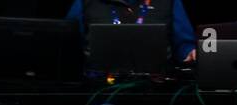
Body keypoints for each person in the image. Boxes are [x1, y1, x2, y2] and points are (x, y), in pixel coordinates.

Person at [67, 0, 198, 64]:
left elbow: (184, 44)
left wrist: (189, 53)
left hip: (155, 89)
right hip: (96, 90)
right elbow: (68, 43)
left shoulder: (170, 2)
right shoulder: (84, 2)